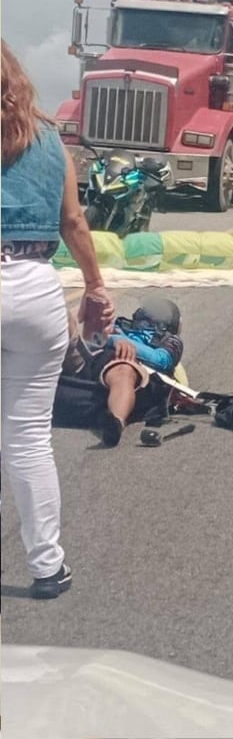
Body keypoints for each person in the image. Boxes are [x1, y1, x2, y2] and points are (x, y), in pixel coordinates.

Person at [2, 38, 115, 599]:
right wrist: (95, 287)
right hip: (35, 288)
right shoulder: (50, 141)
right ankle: (47, 567)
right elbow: (74, 224)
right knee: (27, 439)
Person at [92, 298, 185, 447]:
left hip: (133, 368)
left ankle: (115, 423)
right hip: (101, 361)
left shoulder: (172, 341)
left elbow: (161, 361)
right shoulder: (121, 325)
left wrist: (122, 342)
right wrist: (112, 338)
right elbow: (93, 339)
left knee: (124, 371)